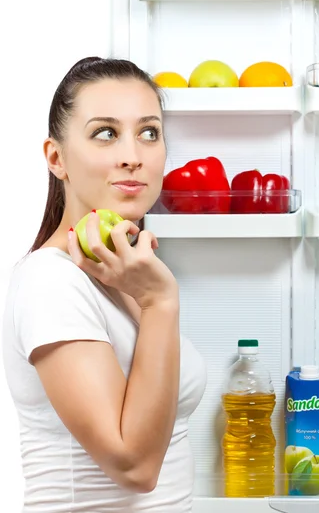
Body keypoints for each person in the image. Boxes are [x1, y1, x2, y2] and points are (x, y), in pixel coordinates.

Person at [2, 56, 207, 513]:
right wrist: (160, 301)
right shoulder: (51, 280)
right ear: (56, 158)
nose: (133, 154)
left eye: (149, 132)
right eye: (106, 132)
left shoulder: (124, 277)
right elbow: (133, 467)